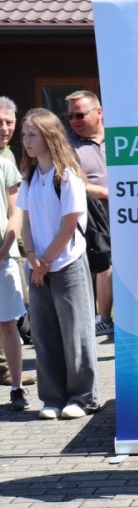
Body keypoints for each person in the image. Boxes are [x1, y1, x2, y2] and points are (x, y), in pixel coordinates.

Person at [17, 108, 102, 420]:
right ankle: (52, 397)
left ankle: (83, 397)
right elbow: (26, 221)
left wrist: (45, 261)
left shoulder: (66, 176)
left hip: (67, 264)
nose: (26, 140)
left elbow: (69, 224)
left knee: (76, 333)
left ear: (49, 137)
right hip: (38, 266)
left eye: (33, 134)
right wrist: (31, 257)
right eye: (24, 134)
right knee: (44, 335)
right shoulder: (29, 177)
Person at [65, 90, 114, 336]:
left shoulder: (118, 136)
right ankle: (104, 319)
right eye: (70, 116)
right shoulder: (67, 144)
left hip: (130, 214)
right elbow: (72, 181)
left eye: (80, 115)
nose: (74, 121)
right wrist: (107, 193)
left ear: (99, 112)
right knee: (105, 264)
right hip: (92, 219)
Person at [0, 98, 28, 411]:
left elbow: (15, 211)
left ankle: (17, 388)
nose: (5, 128)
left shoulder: (7, 162)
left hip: (2, 257)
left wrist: (7, 247)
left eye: (9, 122)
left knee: (8, 322)